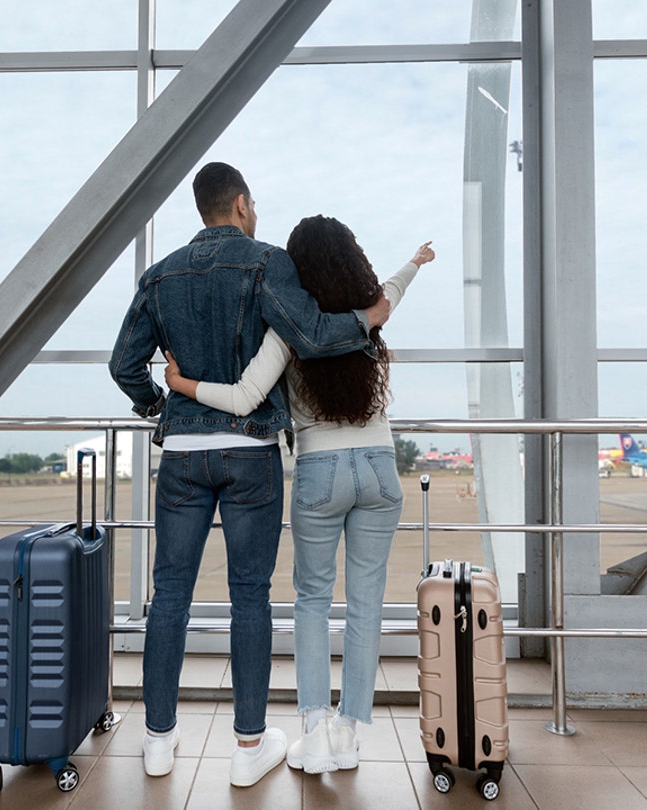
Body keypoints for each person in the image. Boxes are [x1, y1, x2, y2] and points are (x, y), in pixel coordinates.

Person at [108, 164, 391, 788]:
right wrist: (370, 316)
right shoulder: (266, 263)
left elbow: (123, 364)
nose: (256, 210)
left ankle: (158, 741)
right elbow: (311, 336)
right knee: (250, 596)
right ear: (239, 204)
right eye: (253, 202)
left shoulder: (159, 275)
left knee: (170, 594)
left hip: (181, 452)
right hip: (250, 450)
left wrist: (159, 405)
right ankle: (248, 746)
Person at [163, 215, 433, 775]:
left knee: (312, 600)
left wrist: (181, 385)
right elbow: (392, 291)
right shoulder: (368, 319)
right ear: (350, 260)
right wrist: (415, 261)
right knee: (365, 606)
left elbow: (243, 397)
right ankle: (349, 736)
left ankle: (313, 732)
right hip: (381, 470)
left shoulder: (289, 330)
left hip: (320, 471)